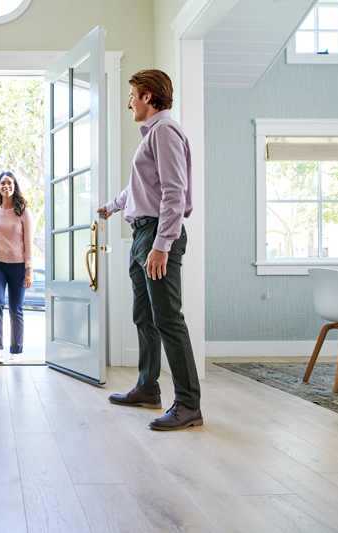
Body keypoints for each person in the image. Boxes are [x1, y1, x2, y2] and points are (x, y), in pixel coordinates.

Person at [97, 70, 202, 431]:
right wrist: (111, 206)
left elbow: (174, 192)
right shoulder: (152, 136)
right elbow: (140, 186)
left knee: (169, 319)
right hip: (143, 233)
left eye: (132, 96)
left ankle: (189, 405)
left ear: (148, 96)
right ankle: (148, 386)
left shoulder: (166, 132)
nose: (129, 103)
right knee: (144, 315)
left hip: (158, 235)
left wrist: (161, 245)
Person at [0, 172, 34, 363]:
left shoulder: (23, 212)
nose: (6, 186)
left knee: (16, 308)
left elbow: (29, 243)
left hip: (18, 266)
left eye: (10, 183)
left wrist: (29, 270)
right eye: (2, 183)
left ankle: (16, 351)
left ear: (14, 187)